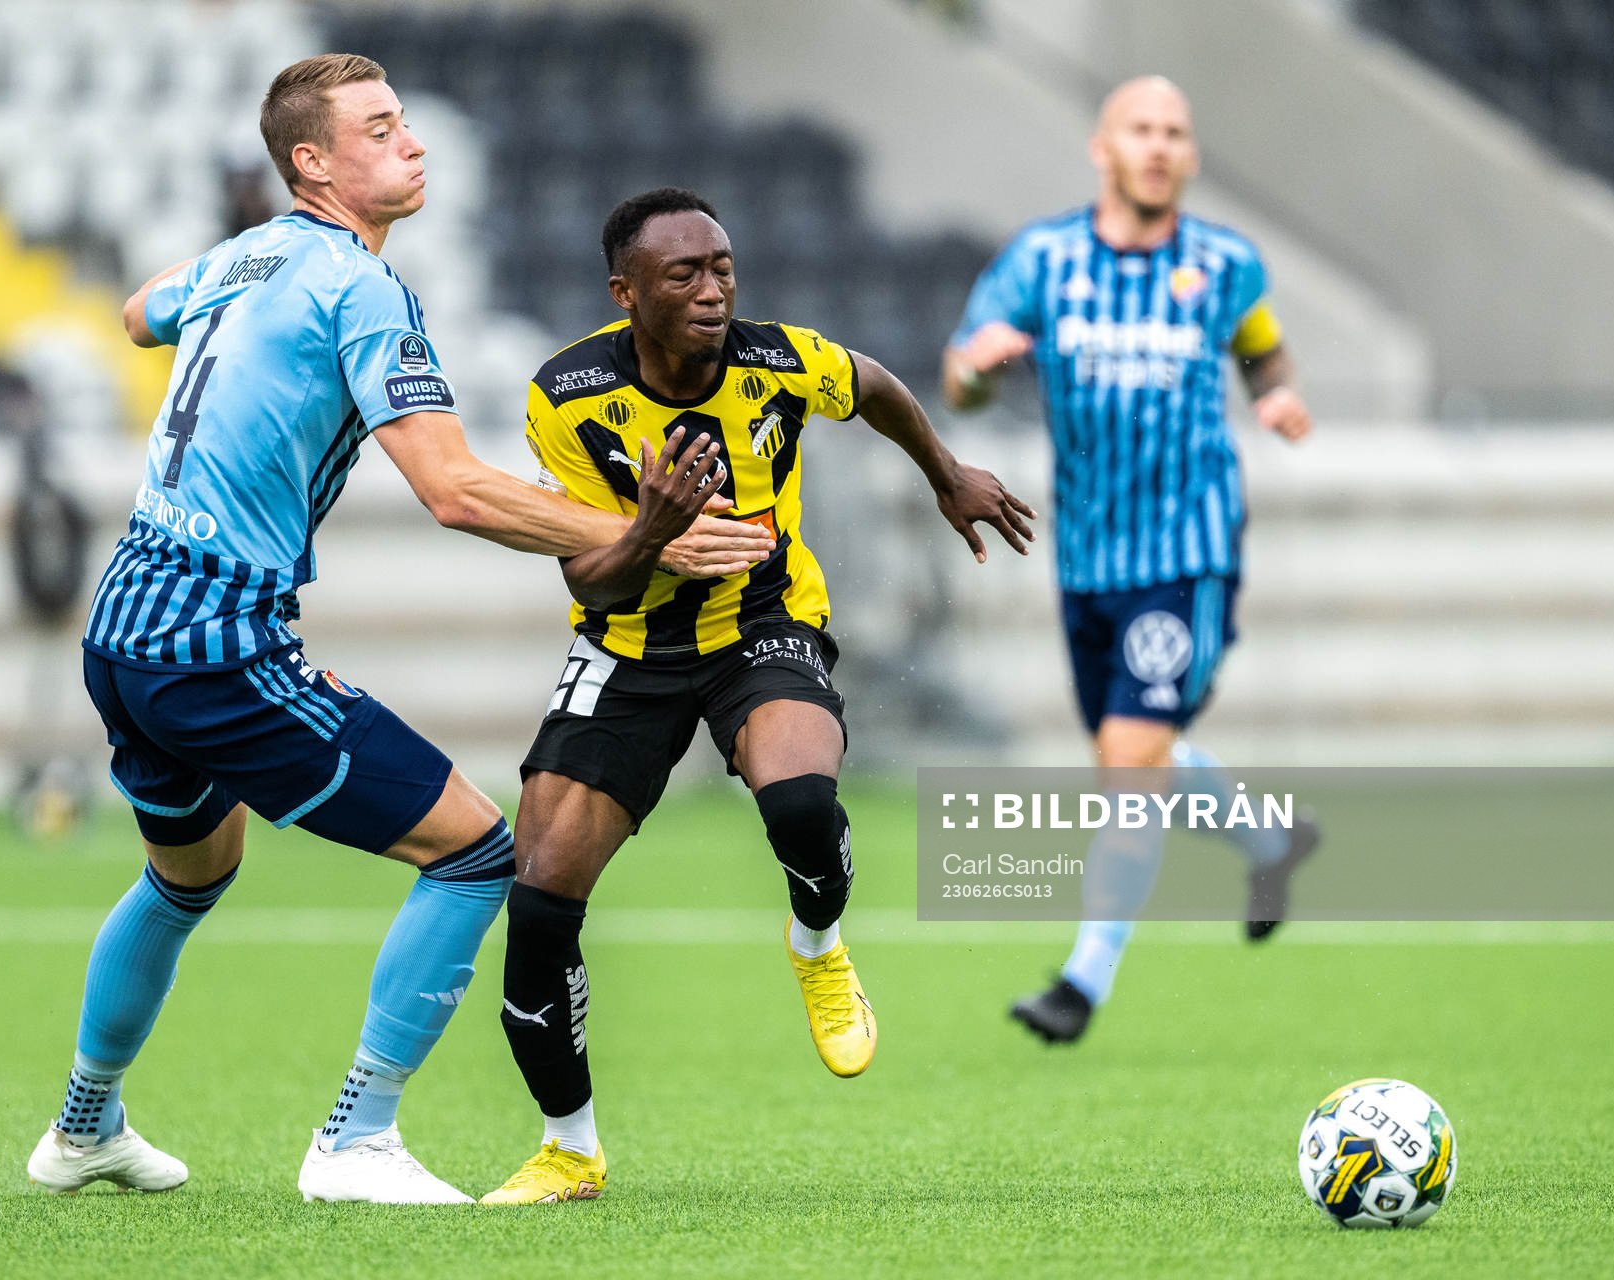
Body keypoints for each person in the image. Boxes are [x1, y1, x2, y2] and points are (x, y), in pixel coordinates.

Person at [25, 56, 772, 1203]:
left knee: (187, 877)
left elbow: (137, 314)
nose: (412, 143)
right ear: (314, 163)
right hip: (215, 637)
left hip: (125, 622)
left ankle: (84, 1127)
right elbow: (457, 489)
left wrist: (256, 248)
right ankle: (354, 1138)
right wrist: (650, 529)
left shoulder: (258, 249)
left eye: (407, 123)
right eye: (379, 129)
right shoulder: (362, 288)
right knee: (477, 850)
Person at [481, 188, 1036, 1204]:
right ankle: (570, 1148)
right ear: (626, 292)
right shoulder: (565, 395)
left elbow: (870, 383)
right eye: (683, 274)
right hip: (627, 644)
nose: (713, 288)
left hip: (761, 624)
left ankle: (817, 941)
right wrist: (654, 528)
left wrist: (944, 471)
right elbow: (590, 577)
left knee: (800, 804)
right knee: (539, 905)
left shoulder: (778, 358)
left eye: (723, 265)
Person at [942, 77, 1321, 1045]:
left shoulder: (1227, 264)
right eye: (1140, 130)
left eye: (1175, 133)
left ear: (1191, 157)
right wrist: (977, 370)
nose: (1158, 146)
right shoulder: (1045, 259)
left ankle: (1083, 980)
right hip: (1087, 557)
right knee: (1133, 756)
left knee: (1126, 760)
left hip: (1187, 549)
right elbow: (959, 376)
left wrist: (1276, 397)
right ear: (1102, 149)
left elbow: (1263, 353)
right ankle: (1272, 838)